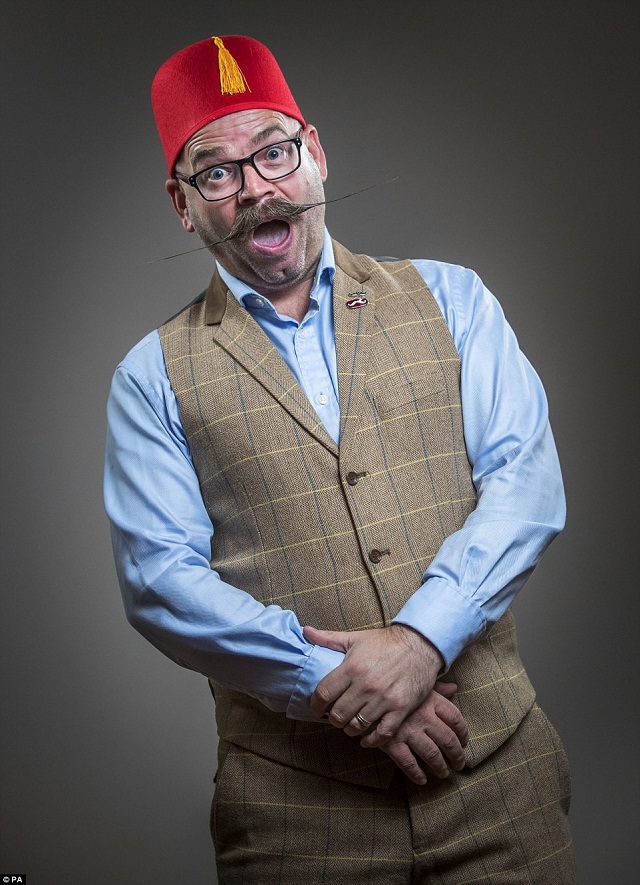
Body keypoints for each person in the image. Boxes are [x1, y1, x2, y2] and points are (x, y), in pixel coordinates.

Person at [104, 34, 577, 883]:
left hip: (501, 783)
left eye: (274, 152)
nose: (255, 187)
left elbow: (527, 485)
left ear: (313, 153)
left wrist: (420, 641)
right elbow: (157, 580)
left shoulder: (454, 298)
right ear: (183, 203)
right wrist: (333, 678)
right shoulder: (151, 375)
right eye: (217, 171)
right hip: (294, 820)